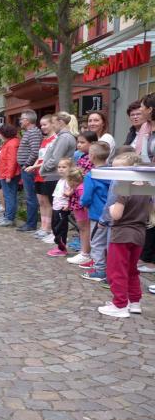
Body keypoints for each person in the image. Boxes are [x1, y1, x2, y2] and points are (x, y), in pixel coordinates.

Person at [98, 152, 151, 317]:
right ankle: (134, 302)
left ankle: (119, 304)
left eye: (118, 169)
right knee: (132, 269)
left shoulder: (123, 189)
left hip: (121, 234)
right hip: (139, 234)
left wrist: (111, 208)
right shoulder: (147, 188)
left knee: (117, 270)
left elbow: (116, 215)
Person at [35, 112, 77, 244]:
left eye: (53, 122)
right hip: (53, 174)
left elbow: (56, 158)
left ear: (60, 122)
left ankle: (58, 235)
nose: (52, 126)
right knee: (56, 206)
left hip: (54, 174)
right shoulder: (62, 137)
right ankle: (55, 233)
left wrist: (43, 168)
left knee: (58, 208)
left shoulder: (64, 137)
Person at [66, 131, 98, 266]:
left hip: (81, 196)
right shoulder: (83, 157)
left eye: (82, 142)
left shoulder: (90, 160)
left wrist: (73, 188)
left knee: (84, 226)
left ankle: (85, 253)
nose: (79, 145)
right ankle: (84, 251)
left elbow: (83, 178)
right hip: (76, 195)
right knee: (82, 226)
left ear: (92, 144)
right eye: (78, 142)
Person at [80, 142, 112, 282]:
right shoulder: (113, 173)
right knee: (109, 243)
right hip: (112, 213)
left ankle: (100, 270)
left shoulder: (91, 175)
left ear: (91, 156)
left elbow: (87, 195)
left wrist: (83, 203)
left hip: (97, 214)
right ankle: (109, 268)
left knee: (97, 242)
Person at [16, 109, 42, 232]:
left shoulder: (33, 133)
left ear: (27, 120)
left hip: (29, 168)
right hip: (26, 168)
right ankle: (30, 222)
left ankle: (31, 224)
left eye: (21, 119)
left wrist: (26, 164)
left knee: (31, 196)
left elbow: (35, 151)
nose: (20, 121)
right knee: (29, 196)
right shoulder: (29, 132)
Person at [48, 159, 78, 257]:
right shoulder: (61, 180)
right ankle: (59, 246)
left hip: (62, 208)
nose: (61, 169)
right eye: (59, 167)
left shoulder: (69, 181)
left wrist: (68, 204)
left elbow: (73, 194)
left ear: (70, 168)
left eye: (64, 167)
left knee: (60, 229)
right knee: (54, 227)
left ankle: (62, 248)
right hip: (56, 207)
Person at [0, 125, 20, 227]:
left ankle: (9, 218)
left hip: (7, 174)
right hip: (5, 173)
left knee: (9, 196)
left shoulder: (11, 144)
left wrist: (9, 175)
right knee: (9, 196)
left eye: (0, 133)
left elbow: (12, 161)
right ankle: (8, 216)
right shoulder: (10, 143)